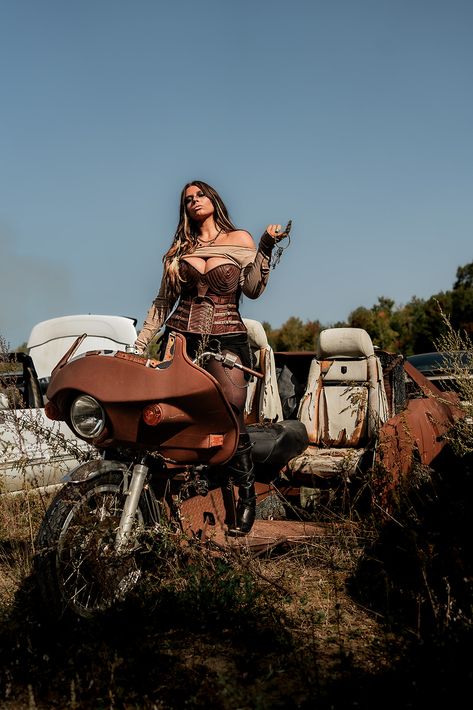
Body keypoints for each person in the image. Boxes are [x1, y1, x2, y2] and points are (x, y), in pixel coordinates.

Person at [134, 180, 289, 535]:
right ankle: (168, 495)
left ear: (213, 199)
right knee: (168, 411)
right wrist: (141, 342)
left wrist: (265, 246)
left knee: (232, 409)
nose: (194, 201)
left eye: (199, 195)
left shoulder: (240, 240)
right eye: (187, 199)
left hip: (227, 336)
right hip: (180, 334)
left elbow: (252, 288)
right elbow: (162, 302)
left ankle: (247, 495)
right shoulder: (180, 248)